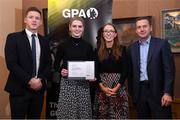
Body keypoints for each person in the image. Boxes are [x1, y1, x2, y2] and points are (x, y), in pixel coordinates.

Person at [4, 7, 52, 119]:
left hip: (38, 91)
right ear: (25, 20)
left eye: (37, 18)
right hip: (19, 90)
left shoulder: (44, 40)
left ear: (40, 22)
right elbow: (11, 64)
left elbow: (48, 63)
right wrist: (30, 80)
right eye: (31, 17)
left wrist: (40, 79)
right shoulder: (13, 38)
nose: (34, 20)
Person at [127, 16, 175, 119]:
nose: (142, 29)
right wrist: (133, 93)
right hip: (140, 92)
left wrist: (168, 92)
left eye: (145, 26)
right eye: (139, 27)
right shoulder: (131, 48)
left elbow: (169, 71)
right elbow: (130, 73)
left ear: (151, 28)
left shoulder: (162, 44)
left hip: (160, 93)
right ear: (136, 30)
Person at [54, 16, 94, 119]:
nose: (77, 29)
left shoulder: (88, 46)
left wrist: (91, 75)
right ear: (70, 28)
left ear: (83, 28)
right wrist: (60, 70)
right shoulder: (63, 45)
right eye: (74, 26)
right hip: (67, 84)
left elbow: (91, 65)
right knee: (67, 115)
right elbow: (56, 64)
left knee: (83, 115)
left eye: (80, 26)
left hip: (83, 85)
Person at [93, 23, 128, 119]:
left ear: (115, 34)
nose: (108, 33)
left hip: (118, 87)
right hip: (102, 88)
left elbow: (126, 70)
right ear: (103, 34)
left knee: (118, 116)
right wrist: (102, 87)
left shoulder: (122, 49)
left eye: (111, 31)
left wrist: (117, 87)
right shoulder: (97, 51)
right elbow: (95, 70)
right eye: (106, 31)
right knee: (103, 115)